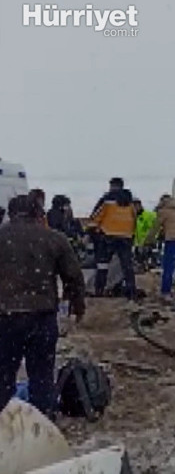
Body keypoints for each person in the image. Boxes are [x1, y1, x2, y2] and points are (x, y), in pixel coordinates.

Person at [0, 195, 86, 419]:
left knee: (3, 374)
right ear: (38, 213)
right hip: (42, 317)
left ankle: (3, 423)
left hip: (5, 317)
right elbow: (74, 276)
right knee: (42, 375)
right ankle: (43, 423)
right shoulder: (54, 238)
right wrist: (78, 306)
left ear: (10, 213)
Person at [90, 177, 137, 301]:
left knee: (102, 265)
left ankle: (99, 291)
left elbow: (96, 216)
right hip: (126, 236)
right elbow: (134, 218)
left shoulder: (107, 199)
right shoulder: (129, 201)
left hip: (108, 235)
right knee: (127, 265)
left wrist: (91, 230)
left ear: (112, 185)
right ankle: (131, 292)